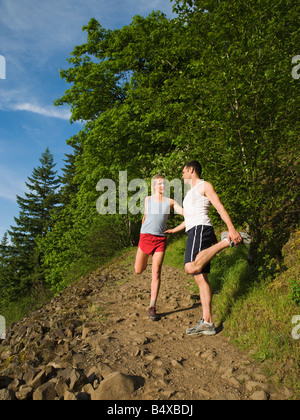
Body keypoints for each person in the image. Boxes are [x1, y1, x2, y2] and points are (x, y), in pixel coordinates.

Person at [165, 161, 251, 336]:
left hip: (200, 229)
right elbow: (189, 217)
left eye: (183, 172)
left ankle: (227, 241)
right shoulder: (189, 194)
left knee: (190, 267)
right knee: (201, 279)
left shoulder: (205, 186)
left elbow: (219, 207)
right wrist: (175, 229)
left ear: (191, 170)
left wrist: (232, 229)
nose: (182, 175)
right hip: (193, 229)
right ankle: (208, 322)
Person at [135, 175, 183, 321]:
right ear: (154, 186)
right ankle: (144, 259)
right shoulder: (148, 199)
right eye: (160, 184)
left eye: (164, 184)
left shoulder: (170, 202)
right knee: (138, 270)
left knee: (156, 273)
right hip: (145, 237)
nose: (163, 186)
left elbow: (184, 211)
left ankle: (152, 306)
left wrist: (195, 211)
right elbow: (145, 216)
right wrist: (141, 232)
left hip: (160, 239)